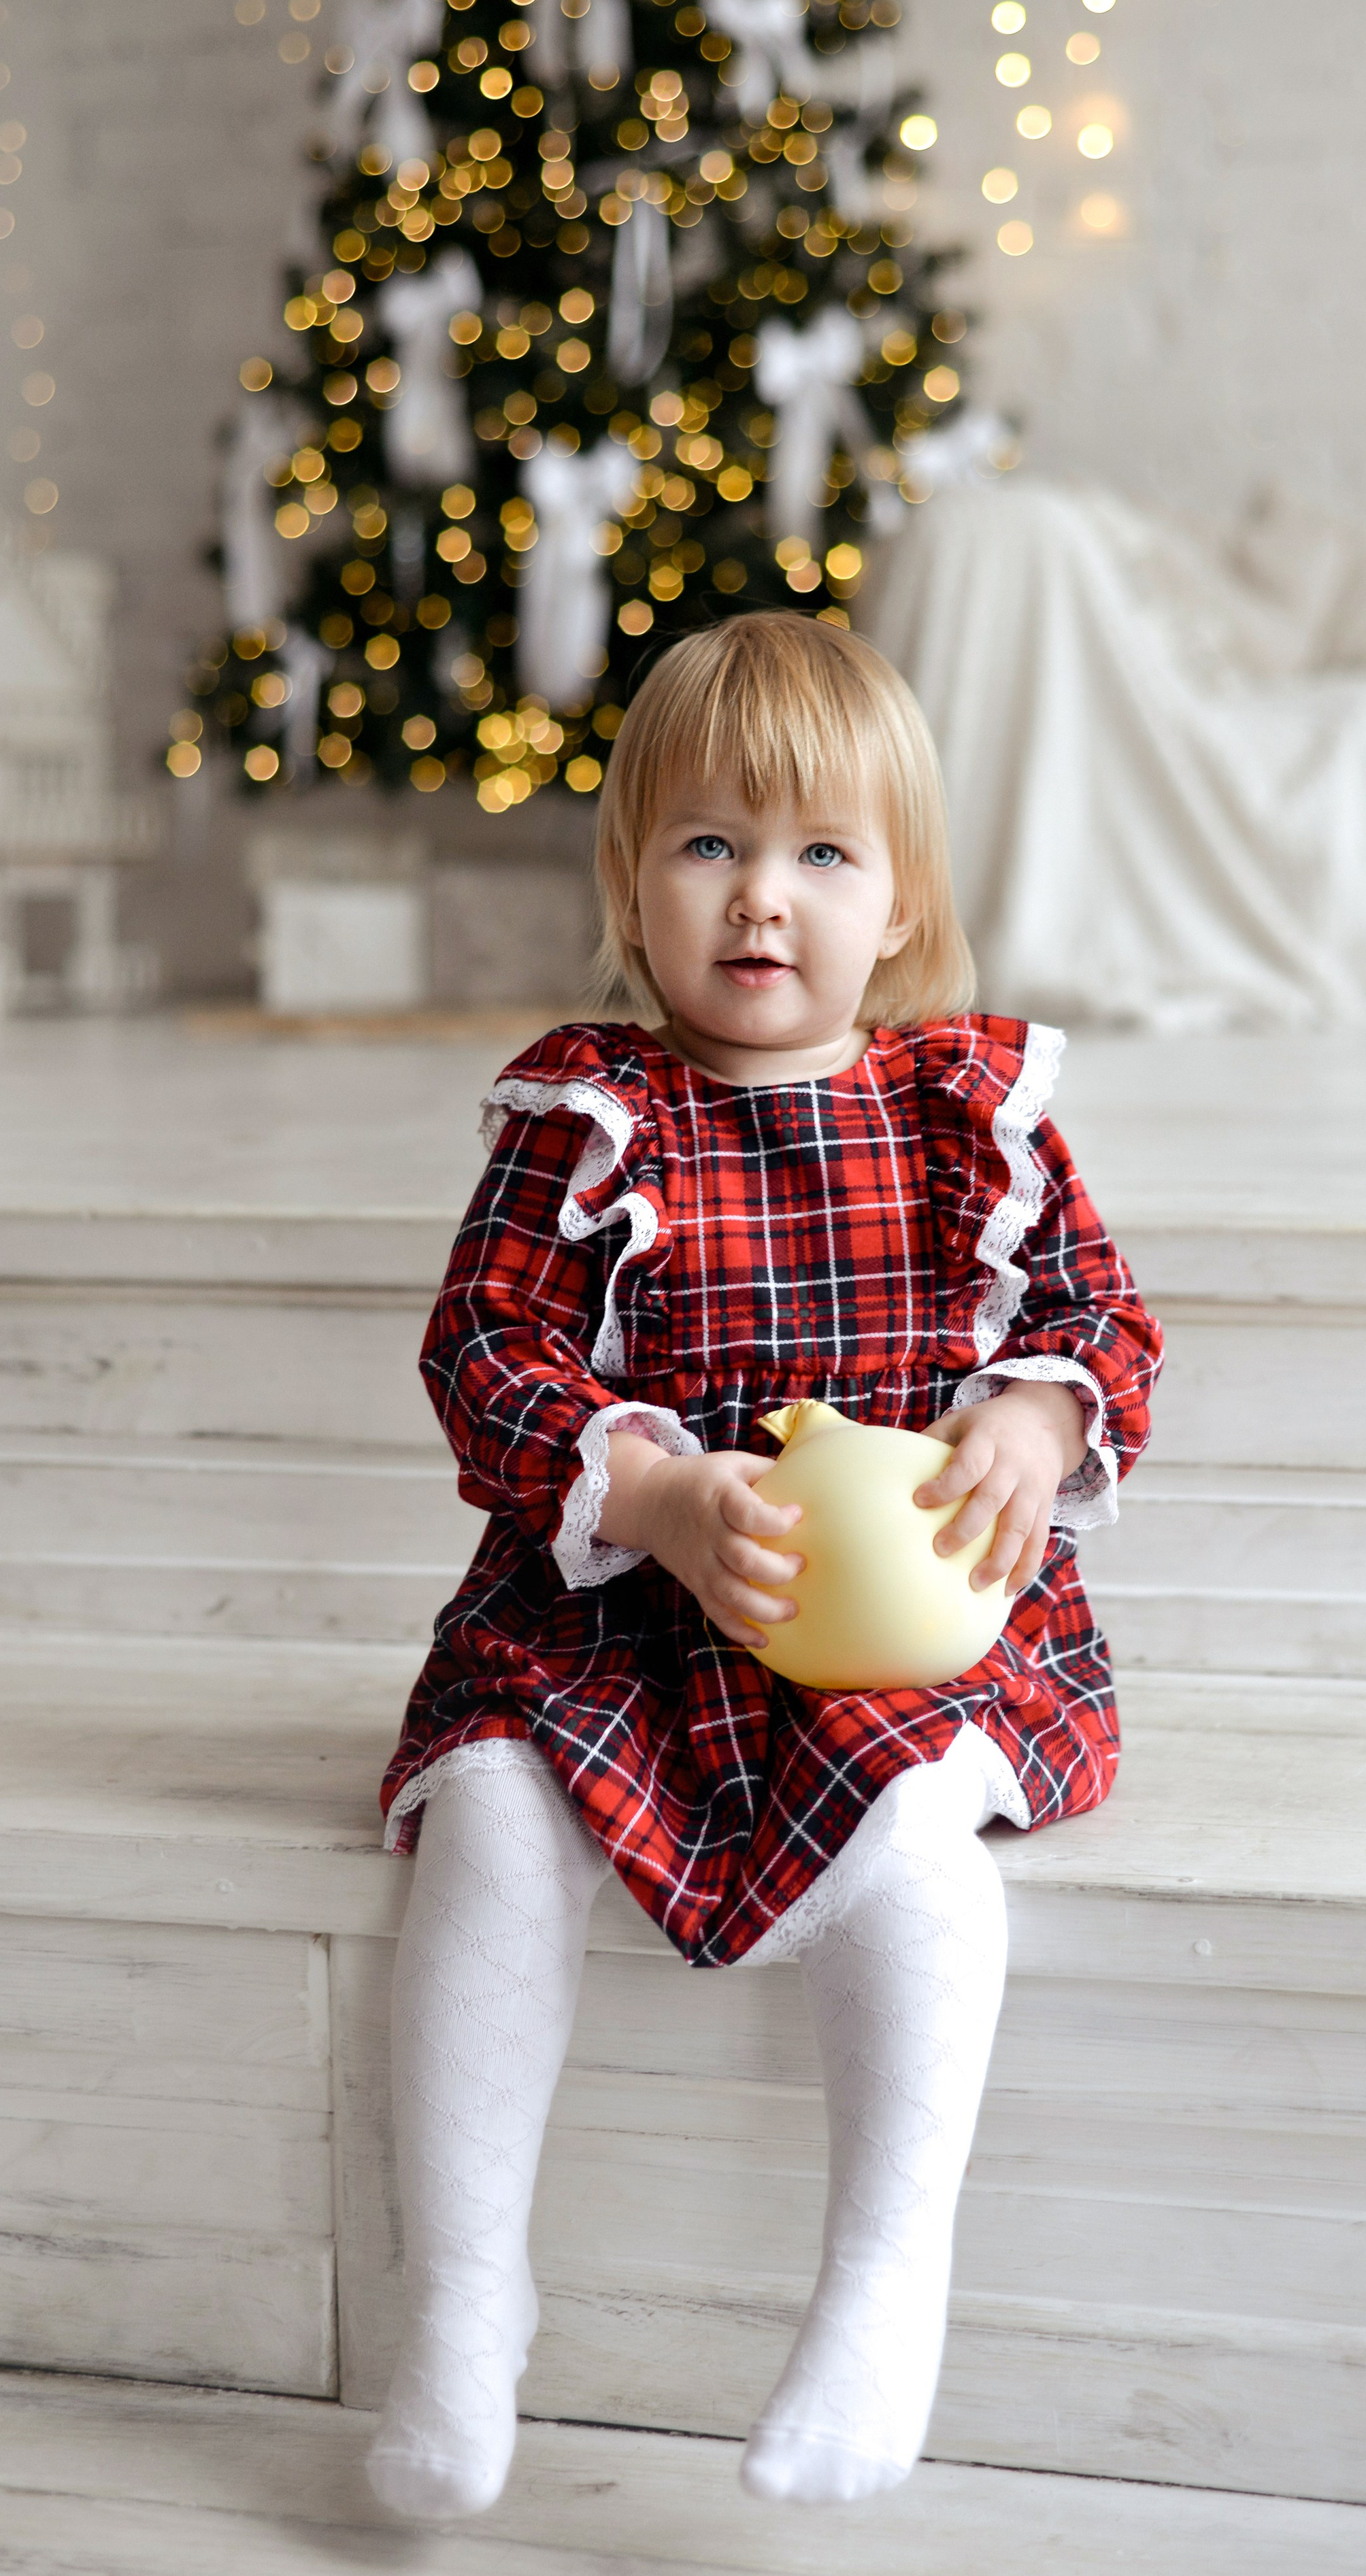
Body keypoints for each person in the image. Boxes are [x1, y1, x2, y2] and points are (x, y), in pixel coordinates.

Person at [369, 612, 1163, 2520]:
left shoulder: (968, 1118)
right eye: (707, 843)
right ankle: (466, 2307)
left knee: (913, 1838)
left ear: (896, 903)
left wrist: (1034, 1420)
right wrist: (642, 1491)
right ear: (633, 881)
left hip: (913, 1635)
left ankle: (887, 2284)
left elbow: (1103, 1321)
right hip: (622, 1621)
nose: (760, 897)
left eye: (821, 851)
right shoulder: (590, 1118)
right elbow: (485, 1356)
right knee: (488, 1807)